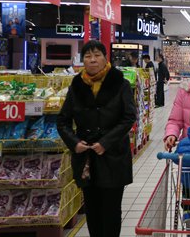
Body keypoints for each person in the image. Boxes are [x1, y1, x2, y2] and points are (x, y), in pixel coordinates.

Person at [57, 40, 136, 237]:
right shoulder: (76, 86)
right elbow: (62, 121)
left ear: (105, 58)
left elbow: (129, 117)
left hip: (113, 156)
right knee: (92, 211)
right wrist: (75, 143)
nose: (93, 60)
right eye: (88, 56)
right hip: (86, 159)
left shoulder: (121, 84)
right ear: (82, 60)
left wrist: (106, 142)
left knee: (111, 211)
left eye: (97, 55)